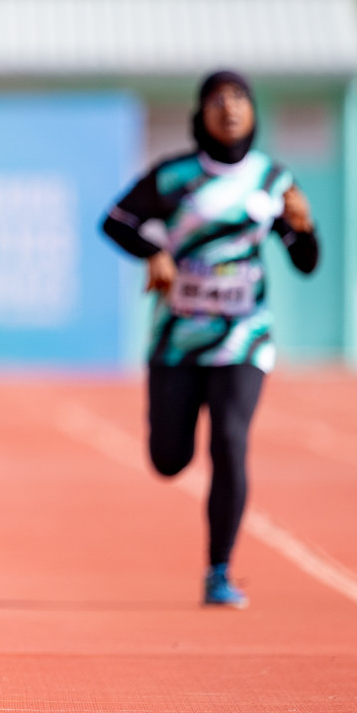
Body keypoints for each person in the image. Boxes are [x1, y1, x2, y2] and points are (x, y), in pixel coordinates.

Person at [102, 70, 318, 609]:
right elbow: (114, 223)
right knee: (169, 459)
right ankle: (177, 445)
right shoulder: (174, 177)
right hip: (177, 337)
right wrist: (153, 249)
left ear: (252, 112)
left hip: (243, 336)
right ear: (200, 114)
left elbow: (305, 262)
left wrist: (306, 228)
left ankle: (218, 571)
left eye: (240, 98)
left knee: (230, 441)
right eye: (218, 99)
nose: (230, 108)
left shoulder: (272, 180)